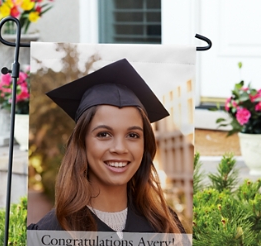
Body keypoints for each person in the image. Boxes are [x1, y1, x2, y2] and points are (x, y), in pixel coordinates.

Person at [27, 59, 185, 234]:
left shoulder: (167, 226)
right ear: (82, 143)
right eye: (104, 134)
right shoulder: (51, 232)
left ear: (145, 144)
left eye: (133, 135)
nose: (120, 148)